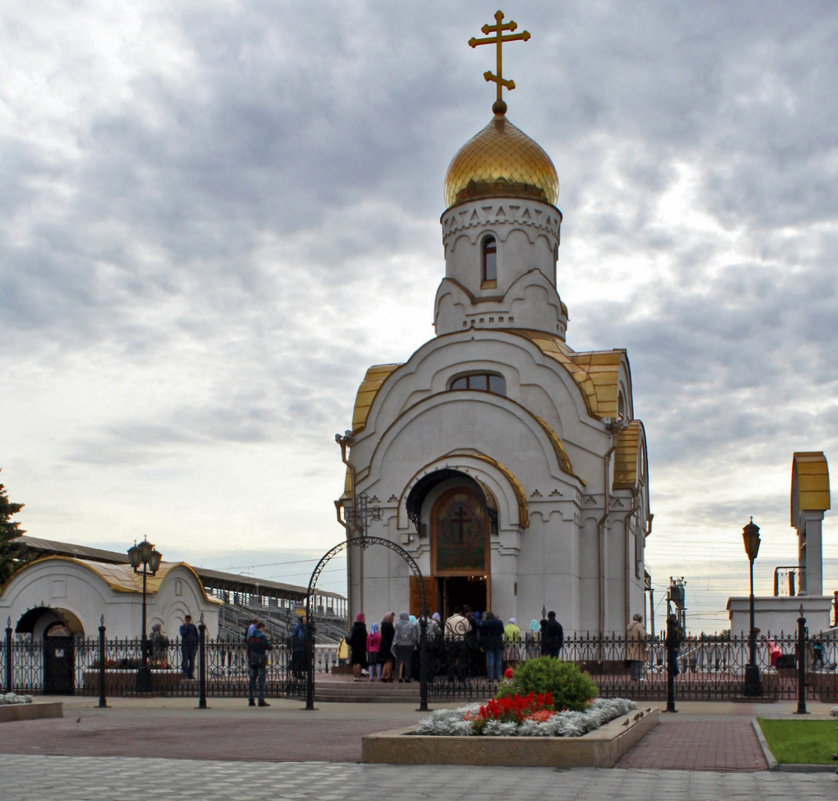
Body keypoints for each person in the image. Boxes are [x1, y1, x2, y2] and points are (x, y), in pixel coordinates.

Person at [247, 621, 272, 706]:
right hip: (260, 659)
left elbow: (248, 646)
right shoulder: (261, 636)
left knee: (252, 680)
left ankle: (251, 699)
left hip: (252, 659)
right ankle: (260, 699)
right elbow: (268, 646)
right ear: (261, 627)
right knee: (261, 680)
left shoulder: (251, 636)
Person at [444, 606, 469, 682]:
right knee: (461, 660)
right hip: (461, 641)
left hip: (452, 641)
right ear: (460, 612)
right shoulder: (464, 619)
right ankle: (461, 677)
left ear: (453, 612)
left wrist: (446, 643)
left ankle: (451, 678)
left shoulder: (448, 620)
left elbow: (446, 633)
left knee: (451, 660)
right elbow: (467, 630)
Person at [392, 610, 418, 682]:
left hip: (400, 644)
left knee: (400, 661)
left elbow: (396, 635)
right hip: (409, 645)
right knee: (408, 661)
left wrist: (395, 643)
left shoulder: (397, 624)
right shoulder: (411, 625)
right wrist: (414, 644)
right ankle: (407, 676)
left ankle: (400, 676)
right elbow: (413, 636)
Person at [480, 610, 505, 681]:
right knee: (499, 661)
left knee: (490, 662)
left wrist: (482, 645)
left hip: (489, 644)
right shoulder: (499, 622)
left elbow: (482, 635)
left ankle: (491, 678)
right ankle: (499, 677)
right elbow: (502, 631)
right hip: (498, 643)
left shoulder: (485, 623)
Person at [626, 613, 648, 681]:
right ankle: (638, 676)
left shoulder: (629, 627)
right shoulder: (639, 626)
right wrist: (645, 644)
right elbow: (643, 636)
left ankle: (633, 676)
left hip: (631, 646)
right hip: (638, 646)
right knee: (639, 662)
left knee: (633, 663)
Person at [349, 613, 368, 681]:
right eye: (364, 618)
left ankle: (355, 676)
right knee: (359, 662)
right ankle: (358, 676)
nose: (364, 619)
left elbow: (351, 637)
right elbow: (365, 637)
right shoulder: (362, 627)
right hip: (361, 647)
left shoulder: (354, 626)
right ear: (362, 618)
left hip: (354, 647)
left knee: (355, 662)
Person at [289, 615, 307, 683]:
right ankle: (295, 672)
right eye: (304, 619)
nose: (305, 620)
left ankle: (299, 673)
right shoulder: (298, 625)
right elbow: (293, 635)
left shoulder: (303, 626)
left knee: (301, 660)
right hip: (297, 646)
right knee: (296, 660)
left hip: (302, 646)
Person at [379, 612, 395, 682]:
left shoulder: (383, 625)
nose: (393, 619)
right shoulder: (389, 626)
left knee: (385, 661)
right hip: (388, 645)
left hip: (383, 645)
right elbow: (391, 636)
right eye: (392, 618)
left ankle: (383, 675)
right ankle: (388, 676)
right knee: (389, 661)